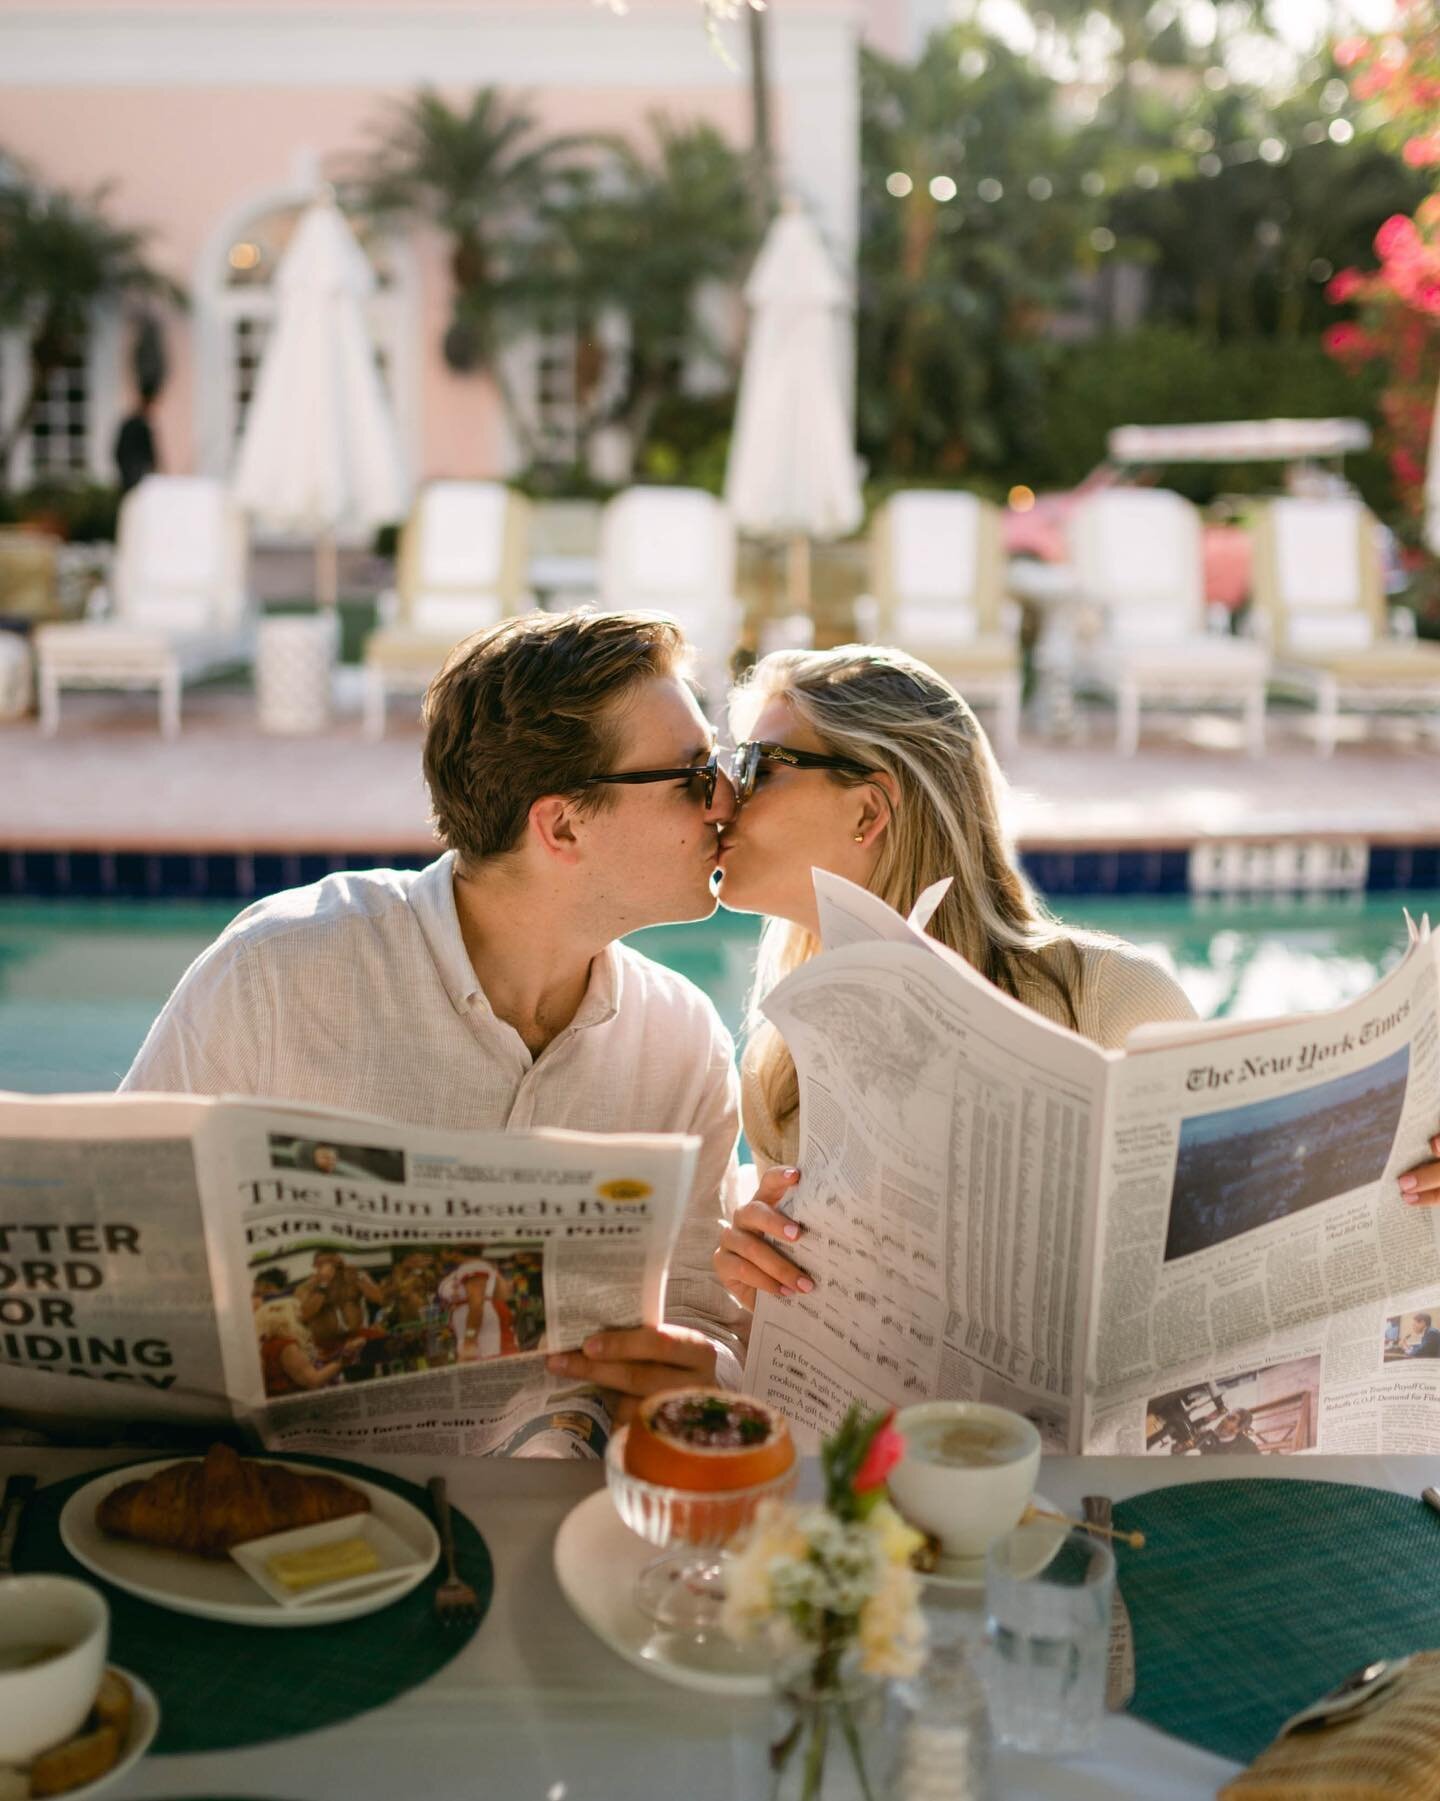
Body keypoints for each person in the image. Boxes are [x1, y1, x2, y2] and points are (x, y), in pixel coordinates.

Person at [122, 609, 786, 1429]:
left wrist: (701, 1368)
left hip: (564, 1531)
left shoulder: (680, 1039)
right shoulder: (279, 974)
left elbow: (698, 1318)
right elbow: (128, 1249)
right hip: (302, 1511)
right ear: (562, 823)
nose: (726, 796)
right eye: (690, 773)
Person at [709, 643, 1199, 1311]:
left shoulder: (1111, 1002)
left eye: (757, 766)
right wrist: (759, 1285)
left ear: (867, 812)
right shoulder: (780, 1069)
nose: (720, 797)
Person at [251, 1271, 363, 1396]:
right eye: (295, 1313)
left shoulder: (267, 1344)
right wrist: (345, 1358)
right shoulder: (285, 1345)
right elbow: (313, 1380)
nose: (300, 1316)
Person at [296, 1250, 386, 1357]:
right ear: (315, 1266)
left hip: (358, 1337)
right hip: (327, 1345)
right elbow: (304, 1314)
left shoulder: (354, 1277)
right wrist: (323, 1284)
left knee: (384, 1341)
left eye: (333, 1262)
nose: (330, 1267)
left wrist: (358, 1276)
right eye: (324, 1264)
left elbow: (380, 1298)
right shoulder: (306, 1287)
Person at [438, 1258, 519, 1362]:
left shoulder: (478, 1268)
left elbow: (477, 1306)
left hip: (482, 1329)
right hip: (467, 1331)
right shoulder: (454, 1273)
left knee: (494, 1362)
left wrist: (470, 1339)